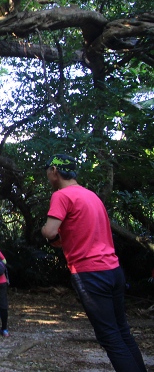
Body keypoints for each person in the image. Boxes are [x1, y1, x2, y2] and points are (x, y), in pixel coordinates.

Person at [41, 154, 146, 372]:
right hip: (114, 270)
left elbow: (50, 231)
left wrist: (47, 234)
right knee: (122, 331)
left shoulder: (62, 196)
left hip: (90, 273)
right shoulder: (91, 196)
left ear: (55, 171)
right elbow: (81, 233)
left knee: (110, 337)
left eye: (48, 171)